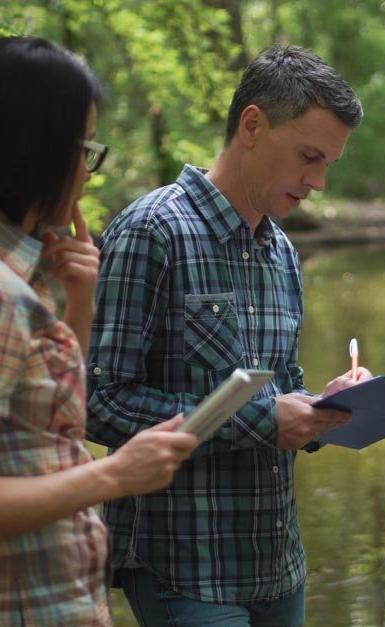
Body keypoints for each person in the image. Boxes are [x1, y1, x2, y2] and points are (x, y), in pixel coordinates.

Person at [86, 45, 370, 626]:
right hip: (183, 568)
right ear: (252, 125)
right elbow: (101, 403)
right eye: (308, 157)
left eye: (328, 166)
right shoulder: (151, 230)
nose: (317, 183)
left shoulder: (282, 251)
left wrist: (326, 406)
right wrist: (266, 420)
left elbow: (282, 387)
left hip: (277, 566)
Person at [0, 36, 198, 626]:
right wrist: (113, 474)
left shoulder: (30, 280)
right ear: (34, 150)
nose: (88, 173)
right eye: (83, 148)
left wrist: (80, 303)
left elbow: (47, 432)